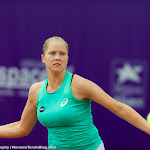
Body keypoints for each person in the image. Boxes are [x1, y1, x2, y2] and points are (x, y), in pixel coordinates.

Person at [0, 36, 150, 150]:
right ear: (43, 58)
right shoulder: (36, 90)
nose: (57, 57)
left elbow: (119, 108)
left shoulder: (79, 85)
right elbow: (22, 128)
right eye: (52, 53)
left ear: (67, 58)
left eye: (62, 53)